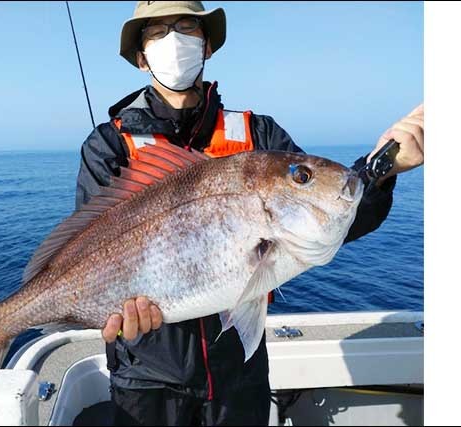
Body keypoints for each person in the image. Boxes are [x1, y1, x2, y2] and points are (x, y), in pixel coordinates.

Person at [73, 1, 424, 425]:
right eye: (157, 32)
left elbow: (332, 215)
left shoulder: (260, 136)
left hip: (238, 374)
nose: (174, 40)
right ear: (142, 57)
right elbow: (88, 250)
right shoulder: (109, 146)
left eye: (186, 27)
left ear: (206, 46)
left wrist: (381, 170)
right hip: (145, 379)